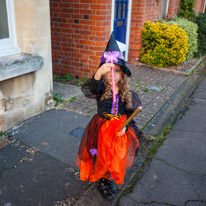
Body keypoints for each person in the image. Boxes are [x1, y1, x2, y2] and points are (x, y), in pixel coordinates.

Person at [75, 32, 143, 200]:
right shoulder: (101, 90)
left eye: (117, 71)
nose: (113, 75)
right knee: (100, 154)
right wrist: (99, 72)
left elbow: (129, 114)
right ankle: (102, 180)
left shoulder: (127, 93)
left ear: (123, 74)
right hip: (101, 127)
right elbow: (90, 89)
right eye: (109, 71)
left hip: (118, 129)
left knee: (114, 155)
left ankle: (108, 177)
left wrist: (125, 127)